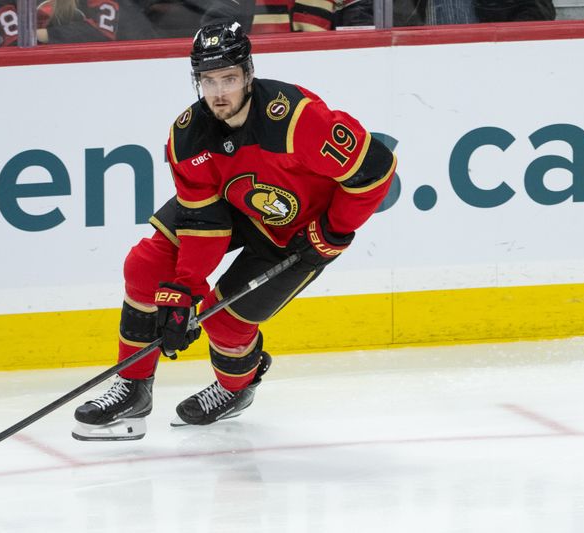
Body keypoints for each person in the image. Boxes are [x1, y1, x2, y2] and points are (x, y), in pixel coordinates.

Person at [71, 21, 396, 441]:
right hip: (232, 206)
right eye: (208, 81)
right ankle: (133, 387)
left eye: (228, 78)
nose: (219, 92)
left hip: (296, 230)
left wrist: (333, 231)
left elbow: (375, 169)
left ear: (248, 73)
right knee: (145, 266)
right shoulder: (188, 136)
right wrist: (183, 291)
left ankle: (235, 388)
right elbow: (203, 222)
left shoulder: (296, 119)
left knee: (224, 320)